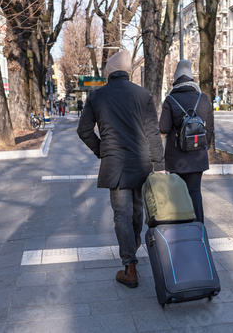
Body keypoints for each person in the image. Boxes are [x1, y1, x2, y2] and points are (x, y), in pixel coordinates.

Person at [77, 50, 165, 288]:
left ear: (108, 72)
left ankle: (130, 266)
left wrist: (101, 151)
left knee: (122, 215)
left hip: (115, 165)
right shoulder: (143, 94)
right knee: (137, 213)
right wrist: (159, 165)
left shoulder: (97, 96)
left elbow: (83, 131)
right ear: (128, 71)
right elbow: (152, 133)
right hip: (142, 164)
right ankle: (133, 246)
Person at [159, 59, 214, 224]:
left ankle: (181, 229)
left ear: (176, 80)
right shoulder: (203, 98)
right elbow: (210, 129)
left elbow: (164, 128)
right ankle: (199, 228)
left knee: (177, 193)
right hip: (198, 156)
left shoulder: (170, 100)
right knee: (195, 192)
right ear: (192, 79)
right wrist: (205, 147)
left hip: (177, 157)